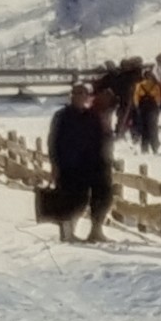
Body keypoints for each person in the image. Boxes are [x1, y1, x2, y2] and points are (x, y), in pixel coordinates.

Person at [47, 82, 114, 243]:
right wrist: (55, 164)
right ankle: (67, 232)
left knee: (103, 196)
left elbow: (105, 138)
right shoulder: (61, 116)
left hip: (95, 163)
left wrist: (107, 158)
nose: (82, 98)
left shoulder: (94, 115)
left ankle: (96, 230)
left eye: (85, 95)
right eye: (78, 94)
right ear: (72, 97)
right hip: (70, 165)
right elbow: (53, 141)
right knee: (73, 198)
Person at [132, 66, 161, 153]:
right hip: (153, 108)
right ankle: (155, 147)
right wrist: (158, 108)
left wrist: (137, 107)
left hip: (142, 108)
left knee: (144, 127)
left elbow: (136, 98)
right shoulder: (155, 86)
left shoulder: (139, 85)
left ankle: (144, 148)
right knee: (153, 128)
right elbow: (158, 99)